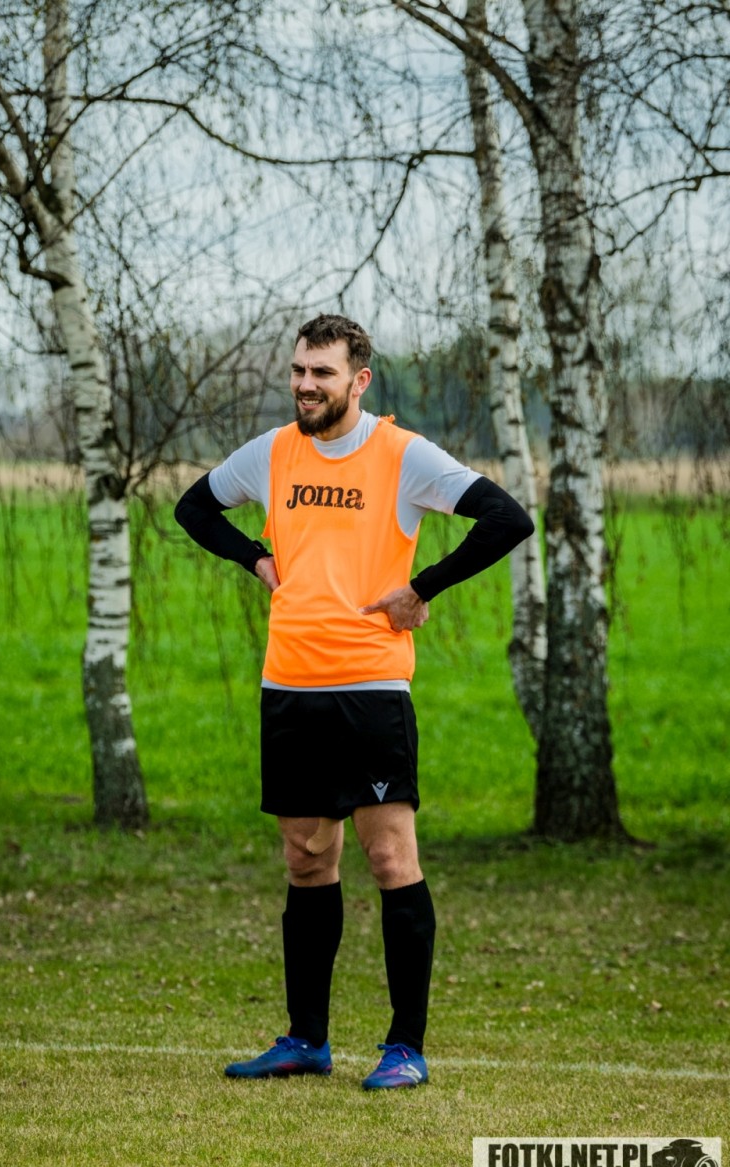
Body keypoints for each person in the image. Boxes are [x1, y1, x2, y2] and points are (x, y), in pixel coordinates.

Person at [174, 313, 533, 1090]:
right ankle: (306, 1039)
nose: (305, 385)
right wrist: (255, 557)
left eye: (322, 373)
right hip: (289, 684)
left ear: (359, 380)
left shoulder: (402, 455)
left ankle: (405, 1048)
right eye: (299, 371)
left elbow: (508, 518)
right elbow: (193, 509)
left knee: (390, 856)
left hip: (370, 686)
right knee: (307, 859)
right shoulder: (273, 452)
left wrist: (421, 588)